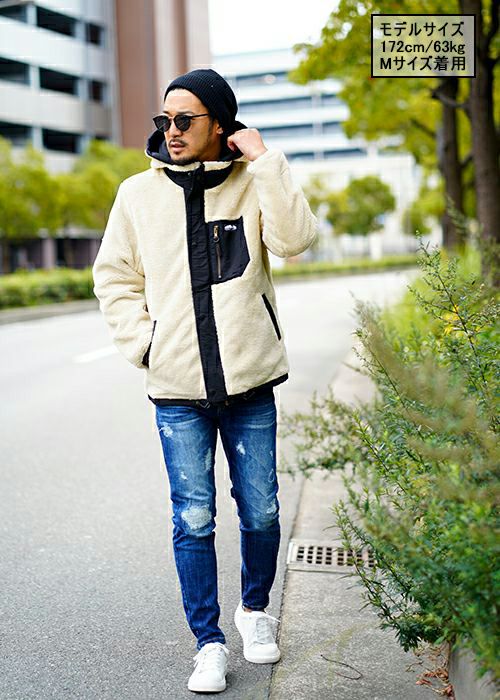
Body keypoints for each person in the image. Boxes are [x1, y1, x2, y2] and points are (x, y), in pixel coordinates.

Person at [92, 68, 317, 694]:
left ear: (219, 124)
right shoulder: (137, 195)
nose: (172, 130)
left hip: (250, 382)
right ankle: (208, 643)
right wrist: (145, 344)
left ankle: (254, 611)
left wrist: (265, 161)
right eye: (165, 120)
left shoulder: (253, 181)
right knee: (193, 518)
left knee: (262, 508)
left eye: (185, 119)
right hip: (177, 389)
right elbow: (114, 277)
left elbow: (296, 240)